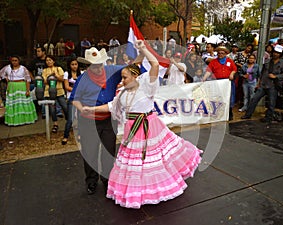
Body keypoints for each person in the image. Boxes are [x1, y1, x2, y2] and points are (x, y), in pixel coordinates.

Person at [82, 40, 202, 209]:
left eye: (124, 77)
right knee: (135, 164)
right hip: (132, 130)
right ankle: (138, 191)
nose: (122, 81)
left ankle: (155, 189)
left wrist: (144, 49)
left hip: (148, 127)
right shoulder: (122, 93)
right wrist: (91, 109)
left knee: (151, 161)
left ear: (135, 76)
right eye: (122, 78)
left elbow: (154, 64)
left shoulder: (147, 86)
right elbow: (111, 106)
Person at [70, 47, 124, 195]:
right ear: (88, 66)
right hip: (88, 122)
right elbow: (74, 99)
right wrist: (81, 109)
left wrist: (142, 50)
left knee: (108, 151)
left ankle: (108, 180)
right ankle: (91, 181)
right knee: (90, 152)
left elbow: (133, 68)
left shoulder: (112, 70)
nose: (99, 68)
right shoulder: (83, 79)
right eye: (94, 65)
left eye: (100, 64)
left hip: (108, 120)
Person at [241, 45, 283, 123]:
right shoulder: (267, 61)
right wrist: (258, 83)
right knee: (254, 99)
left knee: (271, 103)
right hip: (263, 84)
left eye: (278, 53)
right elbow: (262, 73)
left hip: (273, 85)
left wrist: (275, 76)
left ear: (280, 54)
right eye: (275, 52)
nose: (275, 54)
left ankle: (268, 118)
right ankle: (248, 114)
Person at [0, 55, 37, 126]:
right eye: (12, 60)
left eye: (15, 60)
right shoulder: (8, 68)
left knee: (23, 103)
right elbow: (1, 73)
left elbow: (28, 80)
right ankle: (14, 121)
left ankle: (25, 120)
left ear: (19, 61)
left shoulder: (23, 68)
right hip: (12, 87)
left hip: (21, 86)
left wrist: (27, 90)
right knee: (13, 104)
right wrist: (5, 78)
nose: (14, 62)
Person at [202, 46, 237, 120]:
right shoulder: (213, 62)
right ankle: (219, 113)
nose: (220, 54)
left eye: (222, 53)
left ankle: (229, 113)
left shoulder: (229, 61)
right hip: (218, 82)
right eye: (219, 53)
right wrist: (204, 78)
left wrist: (231, 74)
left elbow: (234, 69)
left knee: (229, 97)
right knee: (219, 97)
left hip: (228, 82)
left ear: (225, 54)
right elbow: (209, 71)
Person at [42, 55, 68, 133]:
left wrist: (56, 75)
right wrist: (51, 76)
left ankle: (69, 121)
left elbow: (62, 79)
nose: (48, 62)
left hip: (59, 91)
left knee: (65, 106)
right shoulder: (44, 70)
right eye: (47, 60)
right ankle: (55, 124)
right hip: (49, 92)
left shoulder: (58, 68)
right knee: (52, 109)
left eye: (50, 60)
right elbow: (45, 81)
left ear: (53, 61)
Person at [61, 58, 82, 145]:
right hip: (71, 98)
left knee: (81, 118)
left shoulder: (81, 73)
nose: (74, 66)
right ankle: (65, 136)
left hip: (80, 98)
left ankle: (80, 135)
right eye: (72, 64)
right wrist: (76, 90)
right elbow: (66, 87)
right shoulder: (66, 74)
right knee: (70, 119)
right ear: (70, 65)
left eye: (76, 64)